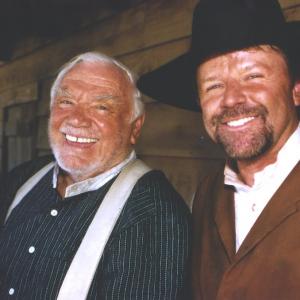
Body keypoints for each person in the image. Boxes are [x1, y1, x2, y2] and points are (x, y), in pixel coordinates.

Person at [137, 0, 300, 299]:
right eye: (213, 86)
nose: (230, 99)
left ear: (296, 89)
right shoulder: (208, 193)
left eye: (253, 76)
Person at [0, 52, 191, 299]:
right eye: (66, 102)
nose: (76, 119)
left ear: (135, 127)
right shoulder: (23, 178)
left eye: (102, 107)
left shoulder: (153, 214)